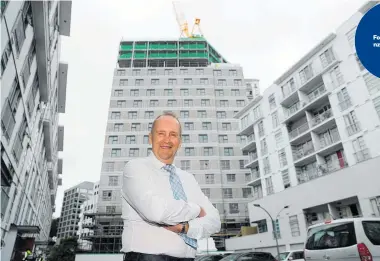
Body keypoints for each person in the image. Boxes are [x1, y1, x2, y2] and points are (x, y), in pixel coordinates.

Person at [121, 112, 221, 261]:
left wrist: (185, 228)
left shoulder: (189, 179)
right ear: (150, 138)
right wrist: (197, 209)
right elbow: (157, 212)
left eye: (173, 135)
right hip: (148, 257)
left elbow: (214, 221)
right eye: (161, 133)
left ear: (179, 142)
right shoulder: (135, 168)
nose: (167, 140)